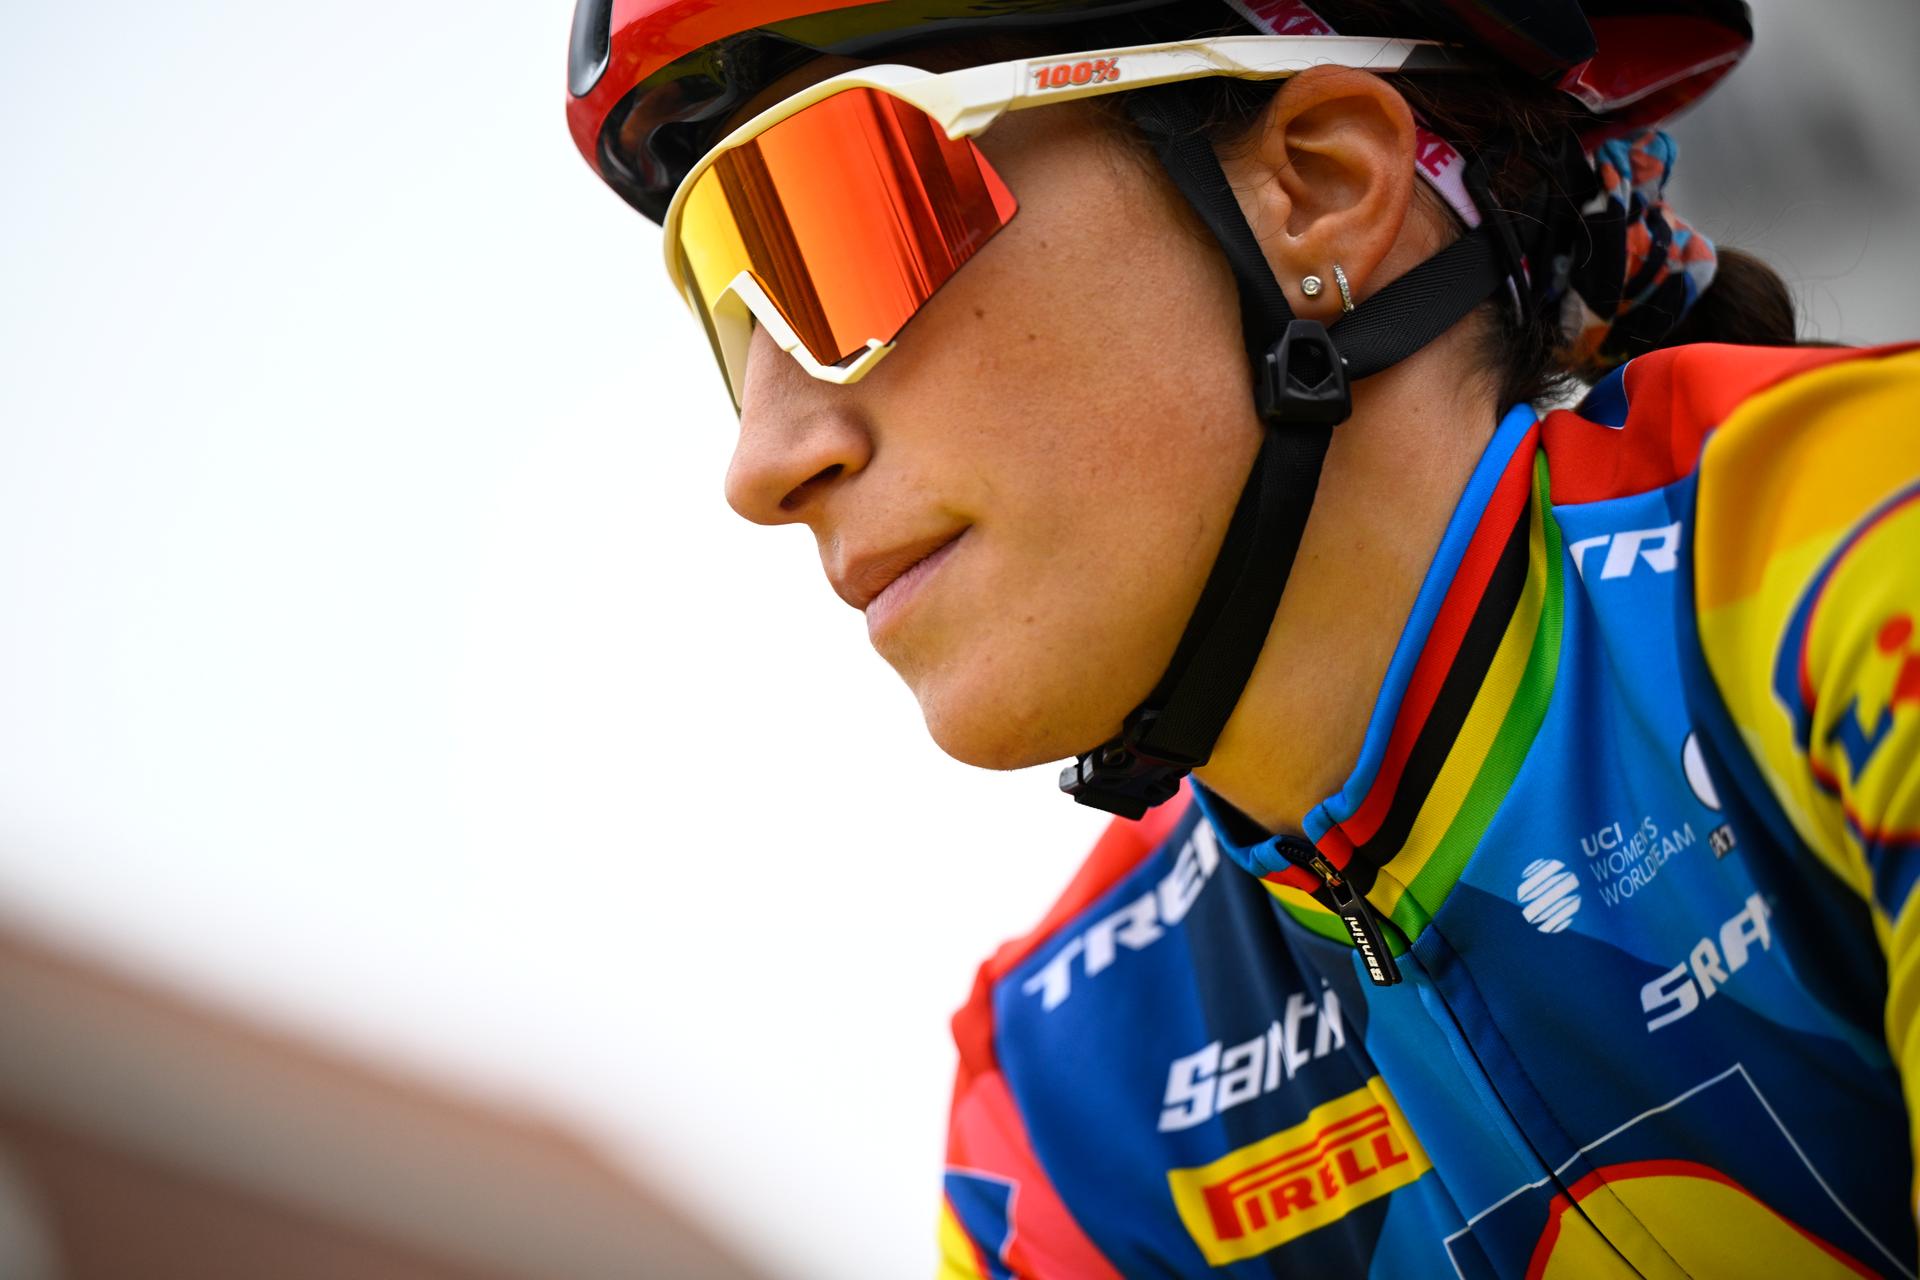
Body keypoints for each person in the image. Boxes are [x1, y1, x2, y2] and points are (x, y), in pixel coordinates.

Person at [566, 0, 1920, 1273]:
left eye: (838, 223)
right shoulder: (1069, 1103)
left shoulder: (1861, 549)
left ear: (1317, 186)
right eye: (732, 308)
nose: (761, 461)